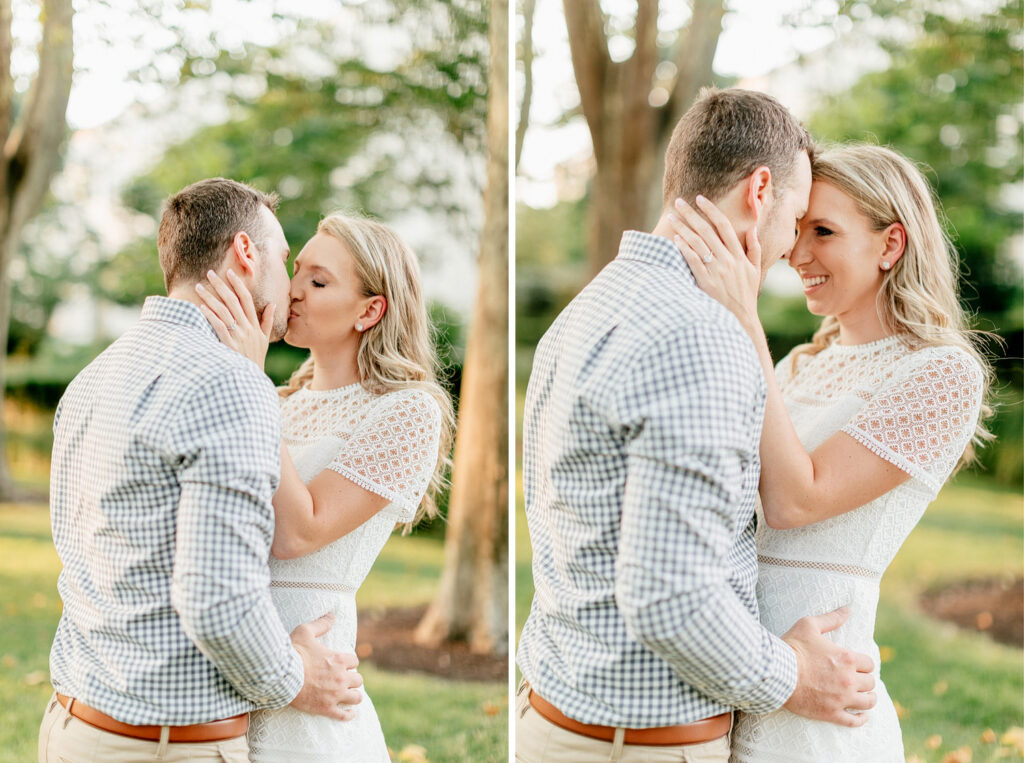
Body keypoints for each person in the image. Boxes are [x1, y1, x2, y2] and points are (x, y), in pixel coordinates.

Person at [516, 88, 877, 763]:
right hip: (637, 748)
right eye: (796, 216)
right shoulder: (699, 333)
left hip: (561, 716)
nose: (791, 246)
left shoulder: (592, 305)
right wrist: (794, 674)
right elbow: (671, 595)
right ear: (760, 189)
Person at [668, 143, 990, 761]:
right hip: (735, 671)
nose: (797, 253)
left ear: (890, 245)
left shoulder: (942, 373)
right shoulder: (797, 365)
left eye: (824, 231)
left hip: (823, 699)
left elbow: (794, 500)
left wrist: (743, 316)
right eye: (797, 228)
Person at [38, 178, 364, 763]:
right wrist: (297, 679)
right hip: (162, 748)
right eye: (285, 258)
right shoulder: (230, 382)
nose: (289, 285)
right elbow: (217, 600)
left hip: (72, 725)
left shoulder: (95, 375)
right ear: (246, 252)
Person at [193, 212, 453, 762]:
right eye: (297, 273)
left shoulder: (406, 412)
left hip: (314, 668)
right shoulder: (279, 402)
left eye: (318, 281)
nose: (293, 292)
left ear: (371, 310)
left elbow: (297, 533)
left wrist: (251, 383)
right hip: (235, 658)